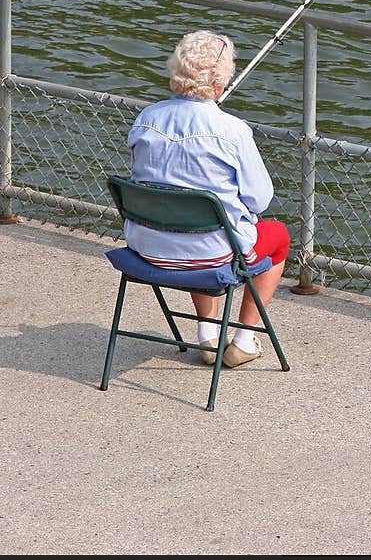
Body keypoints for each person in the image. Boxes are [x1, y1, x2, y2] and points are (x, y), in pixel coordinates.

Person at [124, 30, 290, 369]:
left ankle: (209, 336)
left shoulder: (146, 119)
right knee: (277, 238)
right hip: (210, 256)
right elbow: (260, 200)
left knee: (189, 221)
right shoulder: (233, 130)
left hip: (147, 248)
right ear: (222, 79)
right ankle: (244, 338)